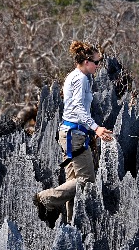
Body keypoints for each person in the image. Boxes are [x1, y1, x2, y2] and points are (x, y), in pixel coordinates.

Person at [33, 40, 113, 227]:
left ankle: (70, 223)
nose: (98, 66)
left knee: (72, 180)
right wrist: (96, 128)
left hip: (70, 133)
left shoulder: (74, 76)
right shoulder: (81, 78)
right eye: (96, 62)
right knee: (86, 181)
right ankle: (46, 198)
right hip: (74, 134)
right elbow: (78, 108)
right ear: (86, 61)